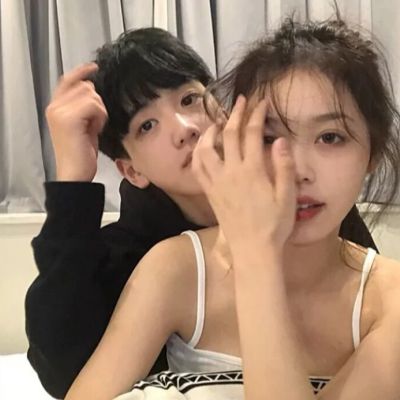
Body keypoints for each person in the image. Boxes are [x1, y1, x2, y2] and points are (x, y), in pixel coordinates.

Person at [25, 27, 377, 399]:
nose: (185, 129)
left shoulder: (307, 205)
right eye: (147, 125)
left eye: (190, 99)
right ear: (131, 171)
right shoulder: (144, 260)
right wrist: (73, 182)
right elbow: (64, 373)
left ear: (223, 110)